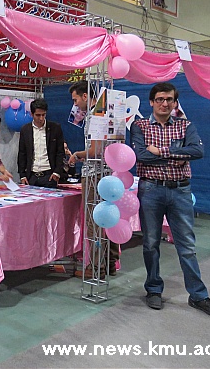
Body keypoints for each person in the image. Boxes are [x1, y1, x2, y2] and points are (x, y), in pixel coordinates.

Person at [131, 82, 210, 318]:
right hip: (151, 190)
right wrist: (178, 155)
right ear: (152, 102)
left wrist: (161, 152)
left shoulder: (186, 125)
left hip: (180, 191)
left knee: (187, 246)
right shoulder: (140, 125)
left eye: (169, 100)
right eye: (160, 99)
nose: (165, 104)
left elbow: (197, 152)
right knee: (150, 243)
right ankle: (153, 289)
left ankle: (198, 296)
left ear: (175, 103)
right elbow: (141, 156)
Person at [68, 80, 119, 277]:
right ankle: (110, 262)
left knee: (94, 220)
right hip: (108, 172)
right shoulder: (107, 113)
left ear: (84, 96)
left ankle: (96, 267)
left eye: (75, 100)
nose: (75, 105)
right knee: (109, 218)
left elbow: (95, 150)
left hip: (94, 174)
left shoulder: (94, 117)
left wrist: (77, 155)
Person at [17, 98, 64, 188]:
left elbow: (60, 152)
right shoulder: (25, 130)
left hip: (49, 175)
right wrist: (22, 174)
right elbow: (22, 153)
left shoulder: (55, 128)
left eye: (43, 115)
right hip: (31, 176)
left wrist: (57, 172)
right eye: (38, 115)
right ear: (31, 114)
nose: (41, 118)